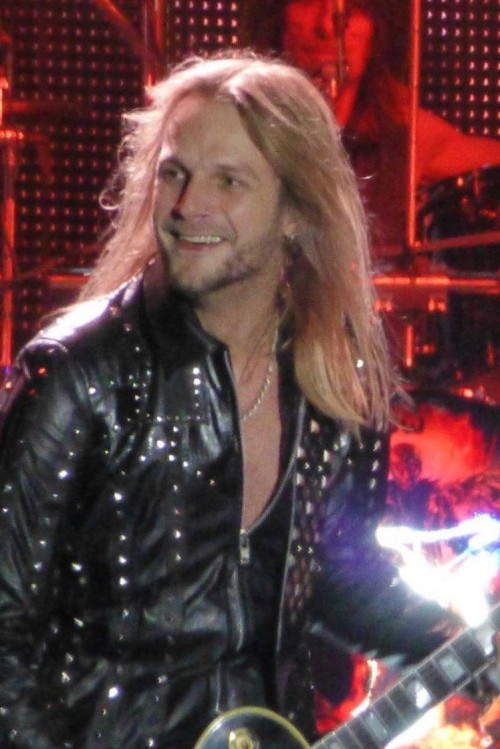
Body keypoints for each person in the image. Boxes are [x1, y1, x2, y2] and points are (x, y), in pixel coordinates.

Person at [0, 52, 463, 749]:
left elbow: (339, 581)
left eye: (229, 180)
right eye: (174, 173)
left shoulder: (335, 375)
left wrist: (456, 640)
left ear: (295, 209)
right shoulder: (77, 375)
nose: (188, 206)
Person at [242, 0, 500, 259]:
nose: (327, 26)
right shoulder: (238, 125)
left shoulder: (405, 134)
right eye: (309, 1)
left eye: (353, 8)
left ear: (375, 29)